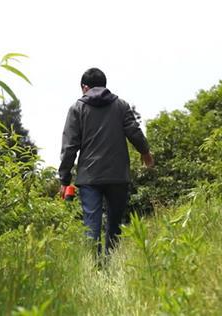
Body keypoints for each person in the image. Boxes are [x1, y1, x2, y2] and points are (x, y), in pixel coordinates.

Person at [59, 67, 154, 256]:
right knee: (114, 222)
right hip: (118, 175)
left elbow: (70, 146)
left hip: (89, 177)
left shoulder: (77, 108)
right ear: (104, 85)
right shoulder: (121, 105)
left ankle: (95, 266)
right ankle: (111, 261)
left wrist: (64, 179)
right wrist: (145, 151)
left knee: (91, 222)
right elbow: (133, 131)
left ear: (84, 87)